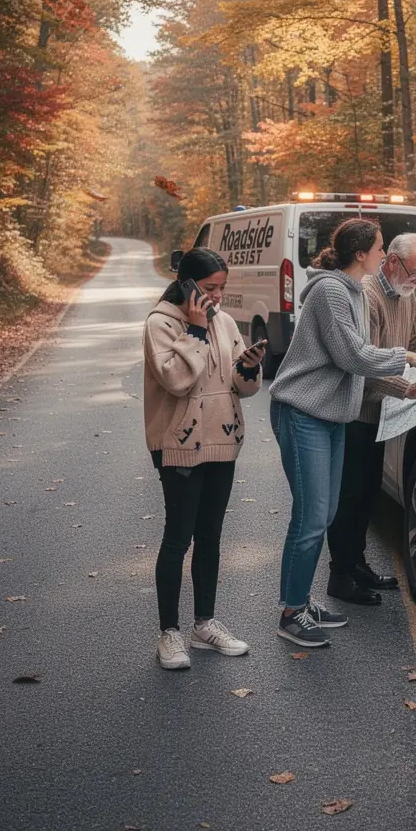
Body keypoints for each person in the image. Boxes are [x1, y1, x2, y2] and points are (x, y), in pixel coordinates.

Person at [268, 218, 416, 648]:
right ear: (361, 253)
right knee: (312, 518)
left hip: (331, 416)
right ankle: (291, 613)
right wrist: (406, 360)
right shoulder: (332, 291)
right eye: (380, 248)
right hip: (303, 412)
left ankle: (300, 601)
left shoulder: (349, 291)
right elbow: (353, 355)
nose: (384, 255)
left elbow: (365, 355)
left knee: (326, 514)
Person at [143, 247, 266, 670]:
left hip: (222, 441)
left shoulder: (226, 322)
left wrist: (248, 367)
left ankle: (204, 625)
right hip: (177, 445)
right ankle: (169, 634)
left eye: (222, 288)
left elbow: (241, 388)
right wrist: (195, 330)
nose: (217, 296)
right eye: (210, 288)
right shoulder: (160, 324)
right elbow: (177, 380)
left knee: (210, 536)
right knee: (178, 538)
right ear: (187, 284)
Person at [326, 233, 416, 604]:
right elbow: (362, 362)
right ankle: (340, 576)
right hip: (355, 412)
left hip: (381, 414)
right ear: (393, 263)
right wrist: (406, 388)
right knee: (349, 497)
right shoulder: (367, 295)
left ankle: (357, 566)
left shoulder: (405, 292)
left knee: (367, 495)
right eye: (415, 273)